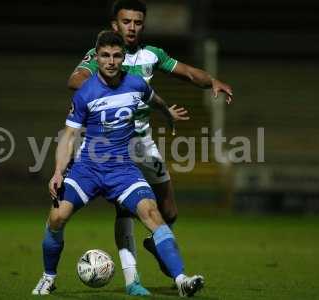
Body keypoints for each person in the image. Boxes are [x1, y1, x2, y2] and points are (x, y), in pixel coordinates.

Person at [67, 0, 233, 293]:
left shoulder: (151, 54)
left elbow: (187, 72)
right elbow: (75, 78)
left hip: (143, 143)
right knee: (126, 209)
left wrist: (213, 81)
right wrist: (102, 92)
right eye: (126, 21)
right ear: (114, 25)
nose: (132, 27)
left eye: (138, 22)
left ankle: (156, 243)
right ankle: (133, 278)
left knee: (169, 210)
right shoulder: (102, 55)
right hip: (113, 145)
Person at [32, 30, 204, 297]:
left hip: (122, 170)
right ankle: (48, 277)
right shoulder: (85, 93)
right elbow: (68, 137)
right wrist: (57, 171)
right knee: (57, 217)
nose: (111, 61)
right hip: (87, 168)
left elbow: (153, 98)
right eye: (105, 56)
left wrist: (166, 111)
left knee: (152, 214)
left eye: (116, 55)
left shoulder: (136, 84)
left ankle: (182, 279)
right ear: (96, 58)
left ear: (123, 57)